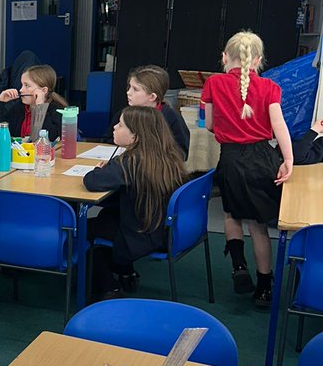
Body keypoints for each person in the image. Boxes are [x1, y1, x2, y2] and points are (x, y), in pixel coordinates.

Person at [200, 30, 293, 307]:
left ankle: (239, 266)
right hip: (263, 158)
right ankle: (264, 286)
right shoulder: (270, 87)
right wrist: (288, 160)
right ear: (259, 60)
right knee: (259, 226)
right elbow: (279, 126)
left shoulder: (213, 83)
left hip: (231, 158)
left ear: (224, 57)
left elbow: (209, 125)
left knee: (232, 215)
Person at [83, 106, 187, 299]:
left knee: (84, 230)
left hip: (139, 234)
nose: (114, 127)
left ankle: (108, 289)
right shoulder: (168, 156)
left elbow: (91, 181)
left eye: (121, 125)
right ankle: (125, 272)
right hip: (162, 228)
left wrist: (98, 170)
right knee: (106, 215)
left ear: (135, 137)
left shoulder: (130, 162)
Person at [105, 65, 190, 157]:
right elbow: (108, 139)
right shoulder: (124, 114)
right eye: (129, 87)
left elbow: (181, 152)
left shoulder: (171, 118)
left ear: (152, 96)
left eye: (135, 89)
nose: (128, 92)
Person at [0, 64, 65, 141]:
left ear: (43, 90)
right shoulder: (18, 107)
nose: (21, 90)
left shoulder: (58, 110)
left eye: (27, 85)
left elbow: (50, 138)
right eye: (22, 85)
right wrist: (0, 103)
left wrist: (40, 108)